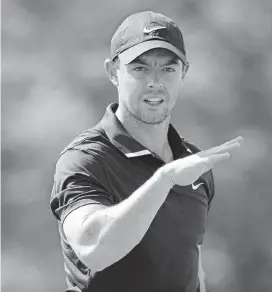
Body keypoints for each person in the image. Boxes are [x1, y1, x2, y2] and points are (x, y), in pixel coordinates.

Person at [50, 11, 243, 292]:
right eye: (140, 68)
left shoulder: (194, 163)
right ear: (113, 72)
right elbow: (92, 248)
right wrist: (164, 180)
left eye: (168, 69)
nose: (155, 81)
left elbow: (191, 264)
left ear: (184, 73)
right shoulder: (85, 159)